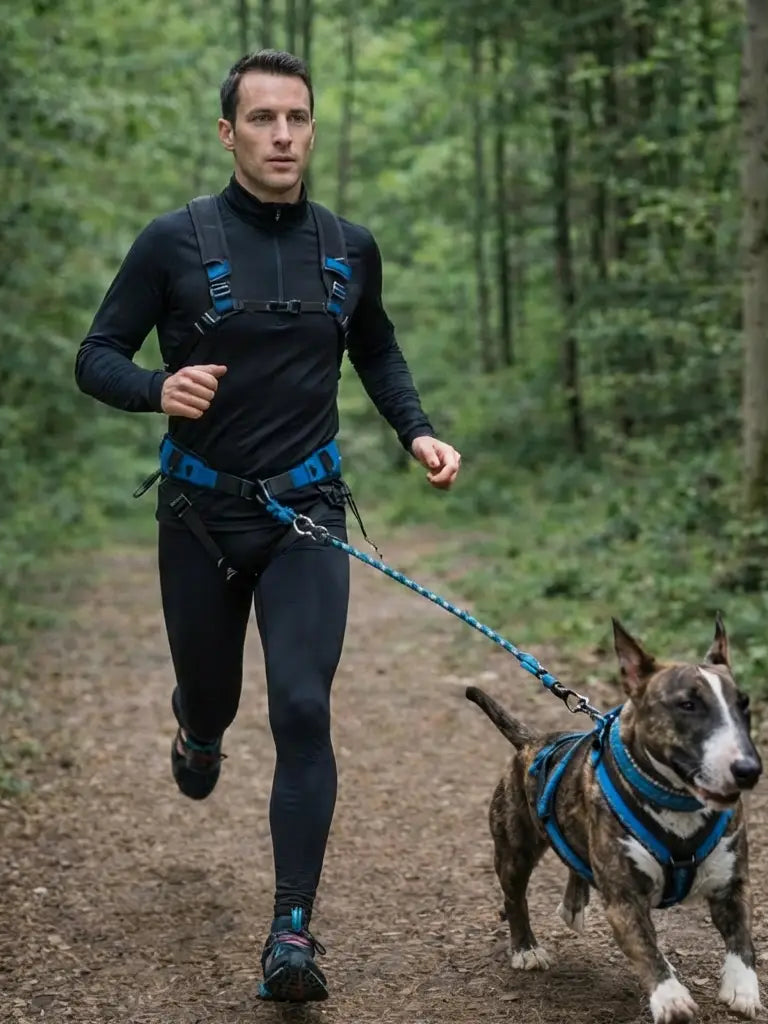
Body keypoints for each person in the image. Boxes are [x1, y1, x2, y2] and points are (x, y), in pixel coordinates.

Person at [74, 48, 460, 1004]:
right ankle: (197, 730)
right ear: (228, 132)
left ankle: (292, 932)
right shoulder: (173, 242)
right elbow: (96, 355)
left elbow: (376, 346)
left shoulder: (348, 245)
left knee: (301, 707)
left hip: (309, 516)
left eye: (297, 118)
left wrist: (417, 431)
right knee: (214, 699)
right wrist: (158, 388)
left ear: (314, 128)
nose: (282, 135)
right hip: (199, 513)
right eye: (262, 120)